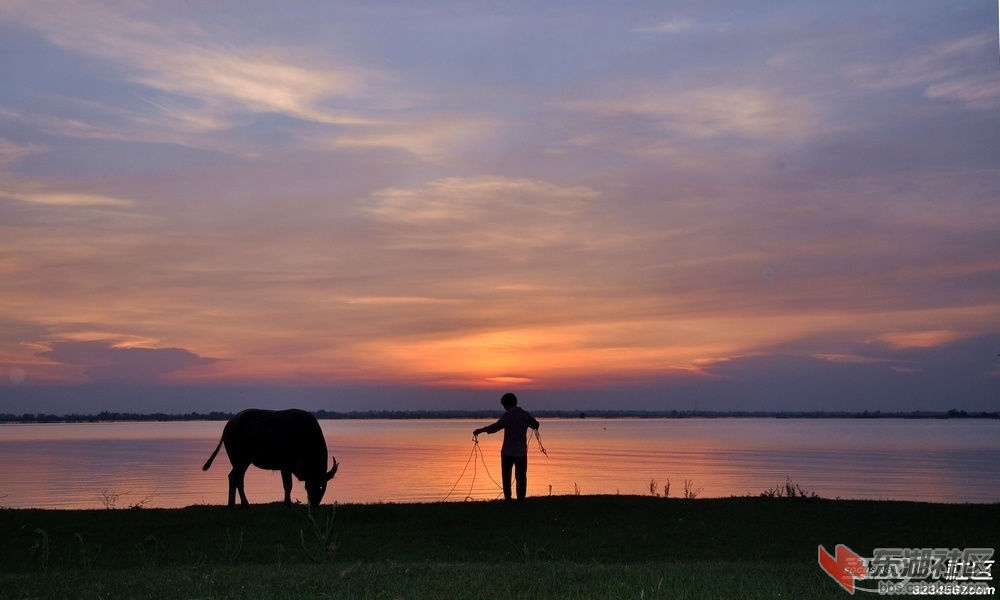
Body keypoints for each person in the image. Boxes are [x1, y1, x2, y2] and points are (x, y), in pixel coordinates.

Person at [473, 392, 540, 501]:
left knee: (506, 477)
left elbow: (496, 426)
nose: (504, 408)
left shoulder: (509, 415)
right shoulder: (524, 414)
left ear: (507, 403)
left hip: (507, 452)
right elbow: (536, 424)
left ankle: (508, 499)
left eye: (504, 405)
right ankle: (521, 499)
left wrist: (481, 430)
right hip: (521, 452)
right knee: (521, 477)